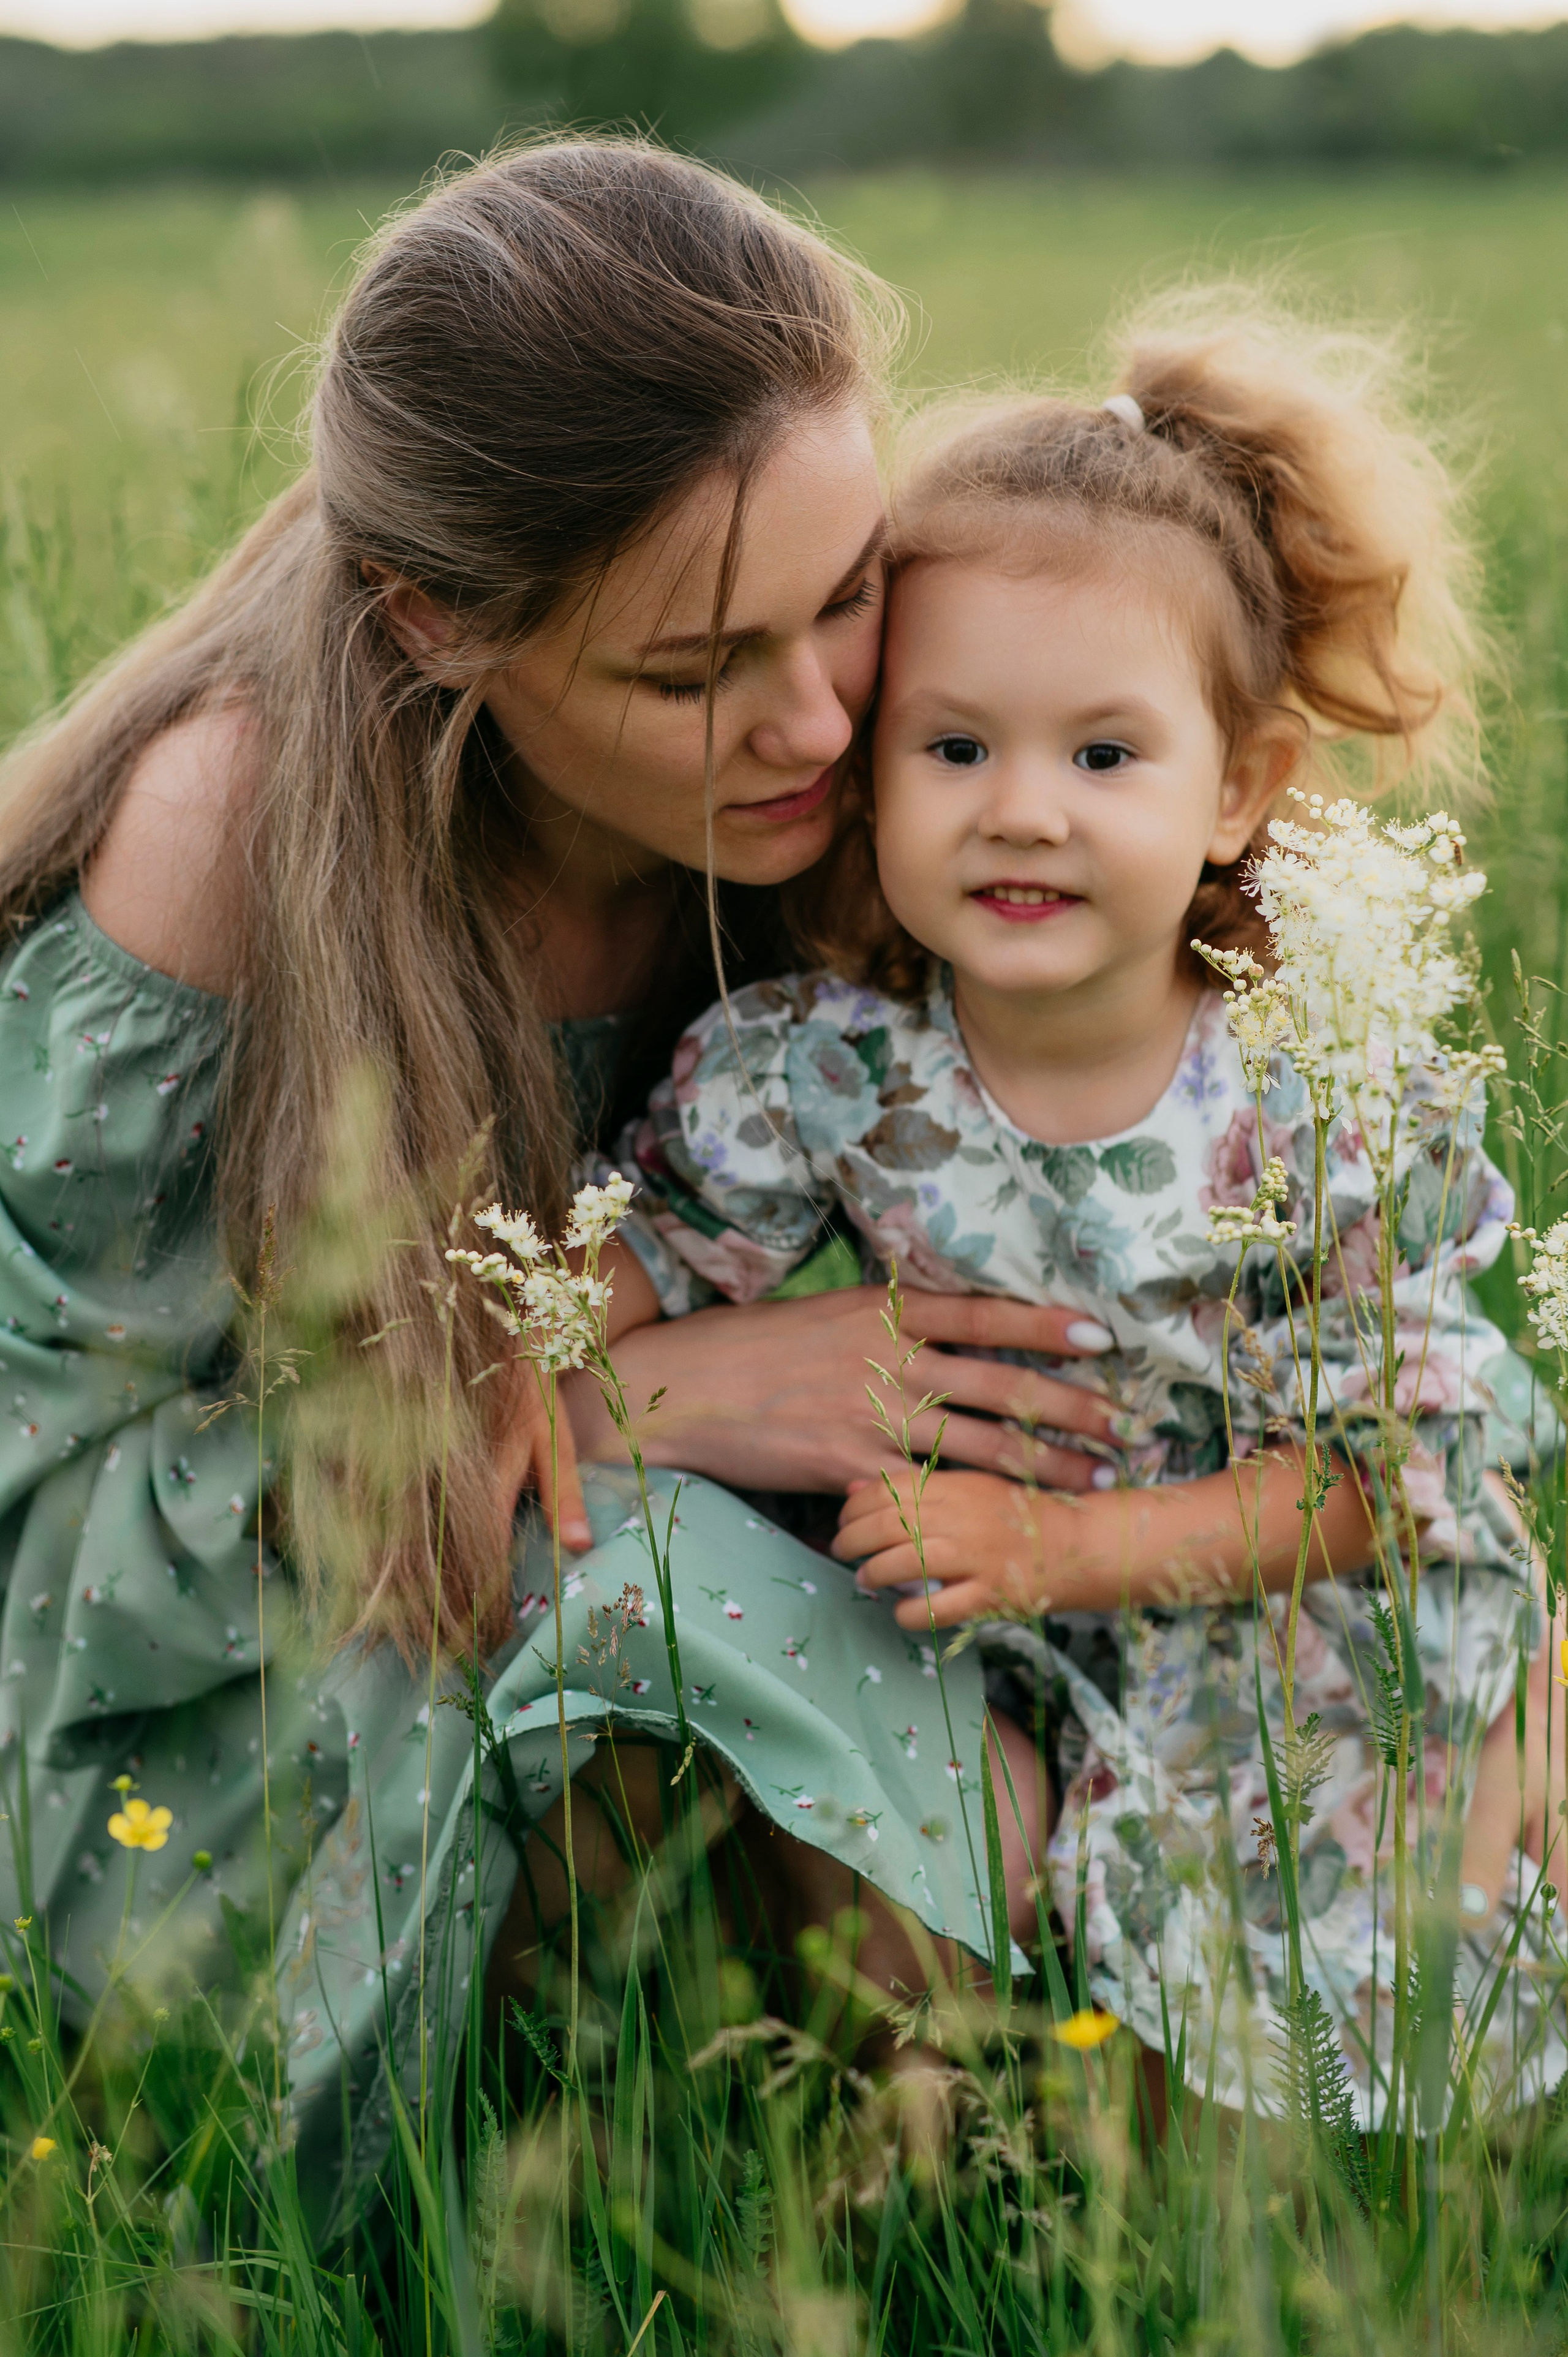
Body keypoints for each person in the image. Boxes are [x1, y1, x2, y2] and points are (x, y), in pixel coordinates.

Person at [0, 139, 1125, 2219]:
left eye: (850, 589)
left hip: (722, 1557)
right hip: (243, 1698)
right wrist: (647, 1393)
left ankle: (996, 2195)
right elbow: (64, 1535)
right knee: (688, 1609)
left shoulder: (938, 724)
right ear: (444, 629)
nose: (815, 718)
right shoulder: (228, 838)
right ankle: (818, 2198)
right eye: (692, 676)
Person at [608, 295, 1568, 2119]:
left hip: (1282, 1648)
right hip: (998, 1641)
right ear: (865, 768)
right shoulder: (824, 1074)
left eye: (1104, 757)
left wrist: (1060, 1551)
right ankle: (932, 2138)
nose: (1022, 812)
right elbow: (626, 1292)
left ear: (1243, 790)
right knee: (969, 1949)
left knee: (1312, 2073)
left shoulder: (1314, 1096)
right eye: (953, 749)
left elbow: (1407, 1471)